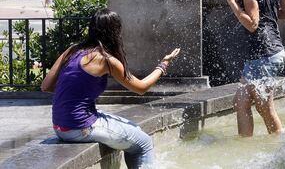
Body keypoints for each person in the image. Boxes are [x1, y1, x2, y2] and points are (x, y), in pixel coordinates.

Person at [41, 9, 180, 168]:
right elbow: (141, 88)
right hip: (80, 128)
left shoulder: (72, 50)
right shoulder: (106, 60)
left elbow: (46, 86)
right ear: (115, 32)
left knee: (134, 129)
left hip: (60, 127)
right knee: (144, 144)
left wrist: (75, 91)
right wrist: (163, 65)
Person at [215, 0, 285, 137]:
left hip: (264, 54)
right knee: (241, 102)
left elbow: (252, 24)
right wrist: (269, 14)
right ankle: (246, 146)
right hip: (269, 52)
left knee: (265, 107)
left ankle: (280, 146)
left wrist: (232, 2)